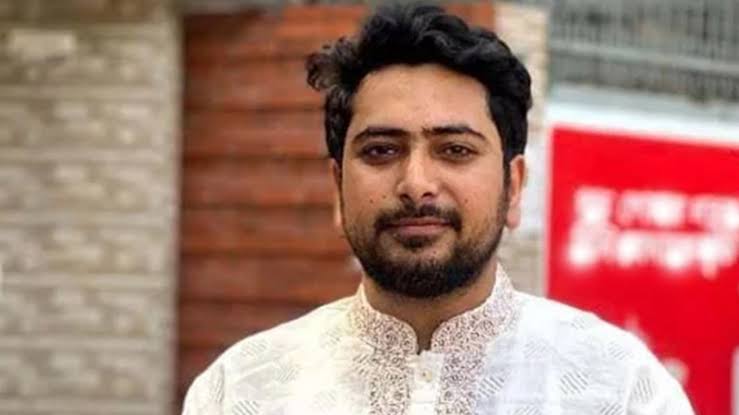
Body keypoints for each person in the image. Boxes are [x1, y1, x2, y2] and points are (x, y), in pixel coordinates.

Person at [182, 4, 694, 414]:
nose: (416, 184)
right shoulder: (243, 390)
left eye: (455, 150)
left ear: (514, 187)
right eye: (381, 150)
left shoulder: (620, 389)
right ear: (338, 188)